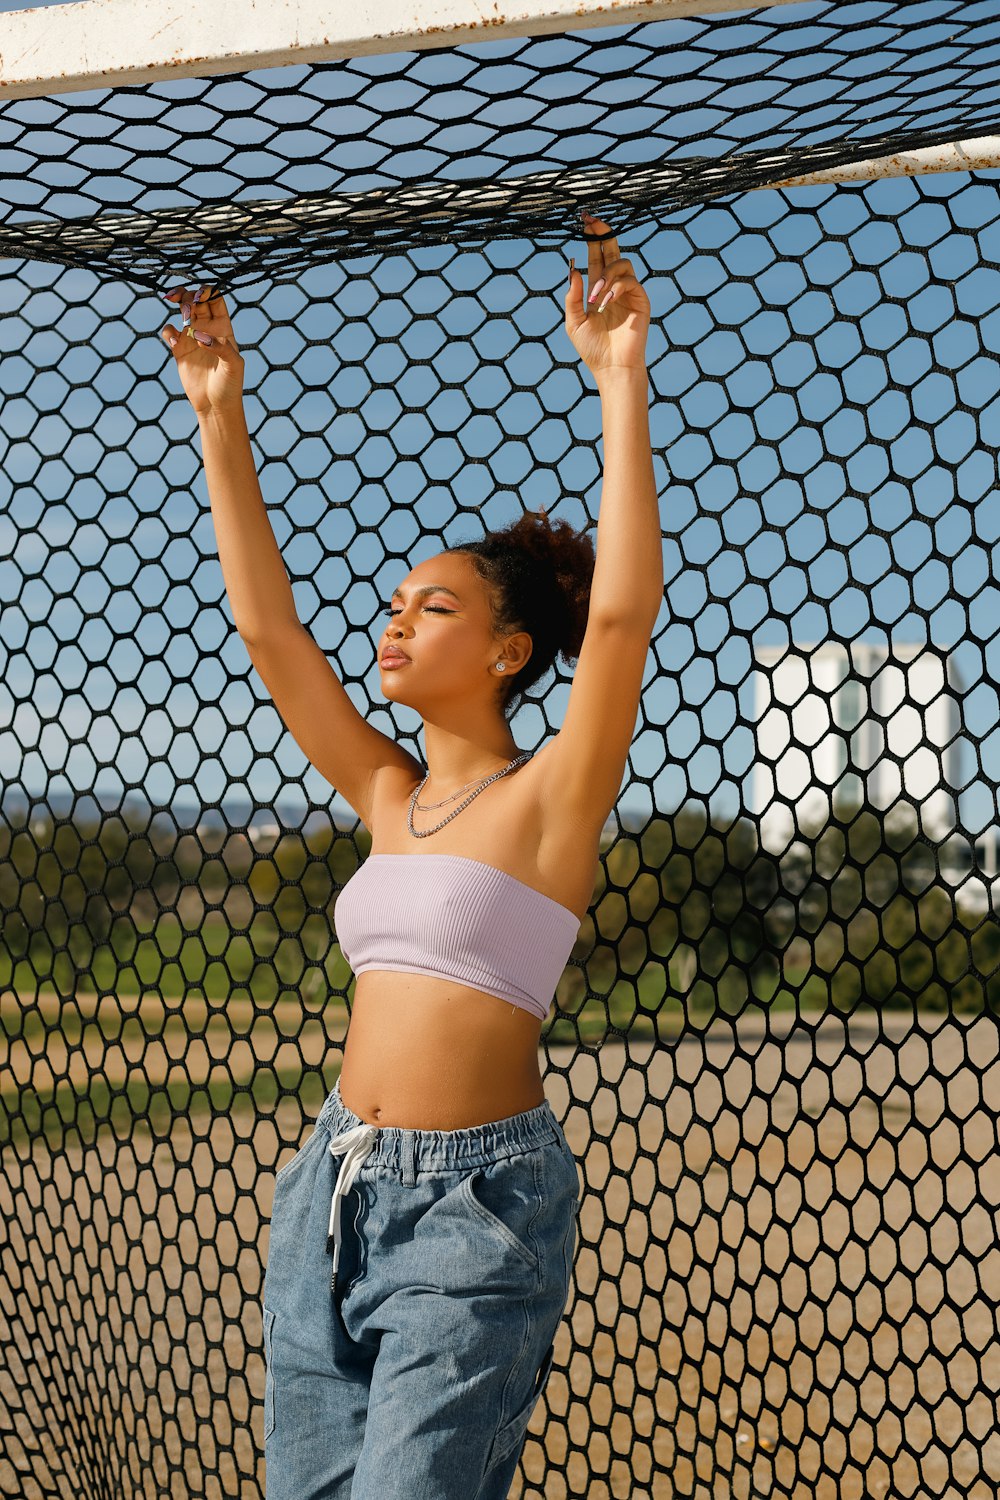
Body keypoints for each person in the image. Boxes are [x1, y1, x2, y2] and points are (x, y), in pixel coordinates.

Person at [160, 213, 661, 1499]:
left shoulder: (551, 798)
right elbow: (273, 640)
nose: (395, 626)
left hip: (473, 1213)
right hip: (327, 1193)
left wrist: (618, 381)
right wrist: (220, 414)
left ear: (504, 652)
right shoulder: (387, 794)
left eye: (429, 608)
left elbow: (616, 613)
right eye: (390, 607)